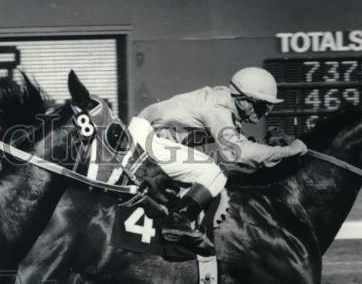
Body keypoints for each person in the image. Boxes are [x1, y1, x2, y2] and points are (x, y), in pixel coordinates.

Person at [130, 66, 308, 254]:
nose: (266, 111)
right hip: (146, 139)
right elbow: (238, 154)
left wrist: (267, 148)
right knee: (213, 172)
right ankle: (178, 222)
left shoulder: (224, 101)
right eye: (262, 104)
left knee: (203, 174)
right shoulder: (218, 109)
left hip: (149, 137)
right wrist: (288, 150)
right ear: (243, 100)